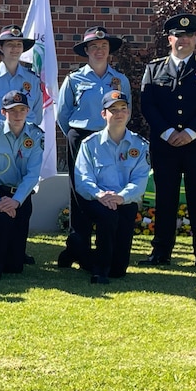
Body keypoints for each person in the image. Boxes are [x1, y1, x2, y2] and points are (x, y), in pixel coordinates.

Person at [139, 13, 196, 271]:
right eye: (178, 35)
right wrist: (166, 132)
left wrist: (190, 132)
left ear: (195, 38)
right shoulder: (154, 68)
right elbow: (147, 104)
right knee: (165, 200)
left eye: (188, 36)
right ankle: (161, 252)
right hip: (165, 146)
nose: (182, 40)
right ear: (169, 38)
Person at [56, 26, 130, 267]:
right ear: (86, 51)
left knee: (108, 189)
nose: (99, 50)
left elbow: (125, 110)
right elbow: (62, 114)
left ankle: (106, 248)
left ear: (109, 51)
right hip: (81, 139)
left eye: (104, 46)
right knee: (80, 194)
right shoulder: (74, 79)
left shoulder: (120, 80)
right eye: (94, 47)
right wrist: (76, 138)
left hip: (110, 141)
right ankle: (79, 247)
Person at [72, 91, 150, 284]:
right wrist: (101, 195)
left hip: (125, 201)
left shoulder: (140, 145)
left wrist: (121, 197)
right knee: (108, 215)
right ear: (103, 114)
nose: (119, 114)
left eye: (123, 109)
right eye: (113, 110)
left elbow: (140, 180)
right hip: (95, 201)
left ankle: (79, 253)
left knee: (119, 271)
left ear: (129, 112)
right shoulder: (90, 144)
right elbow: (82, 179)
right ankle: (99, 271)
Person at [0, 91, 43, 281]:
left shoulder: (36, 135)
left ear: (28, 111)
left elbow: (33, 174)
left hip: (20, 196)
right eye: (13, 111)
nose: (18, 115)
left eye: (22, 110)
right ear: (3, 112)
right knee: (2, 224)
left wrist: (16, 201)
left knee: (15, 267)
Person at [0, 24, 42, 136]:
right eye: (10, 44)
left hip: (26, 140)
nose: (15, 49)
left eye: (19, 45)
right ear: (1, 48)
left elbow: (37, 115)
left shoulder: (33, 79)